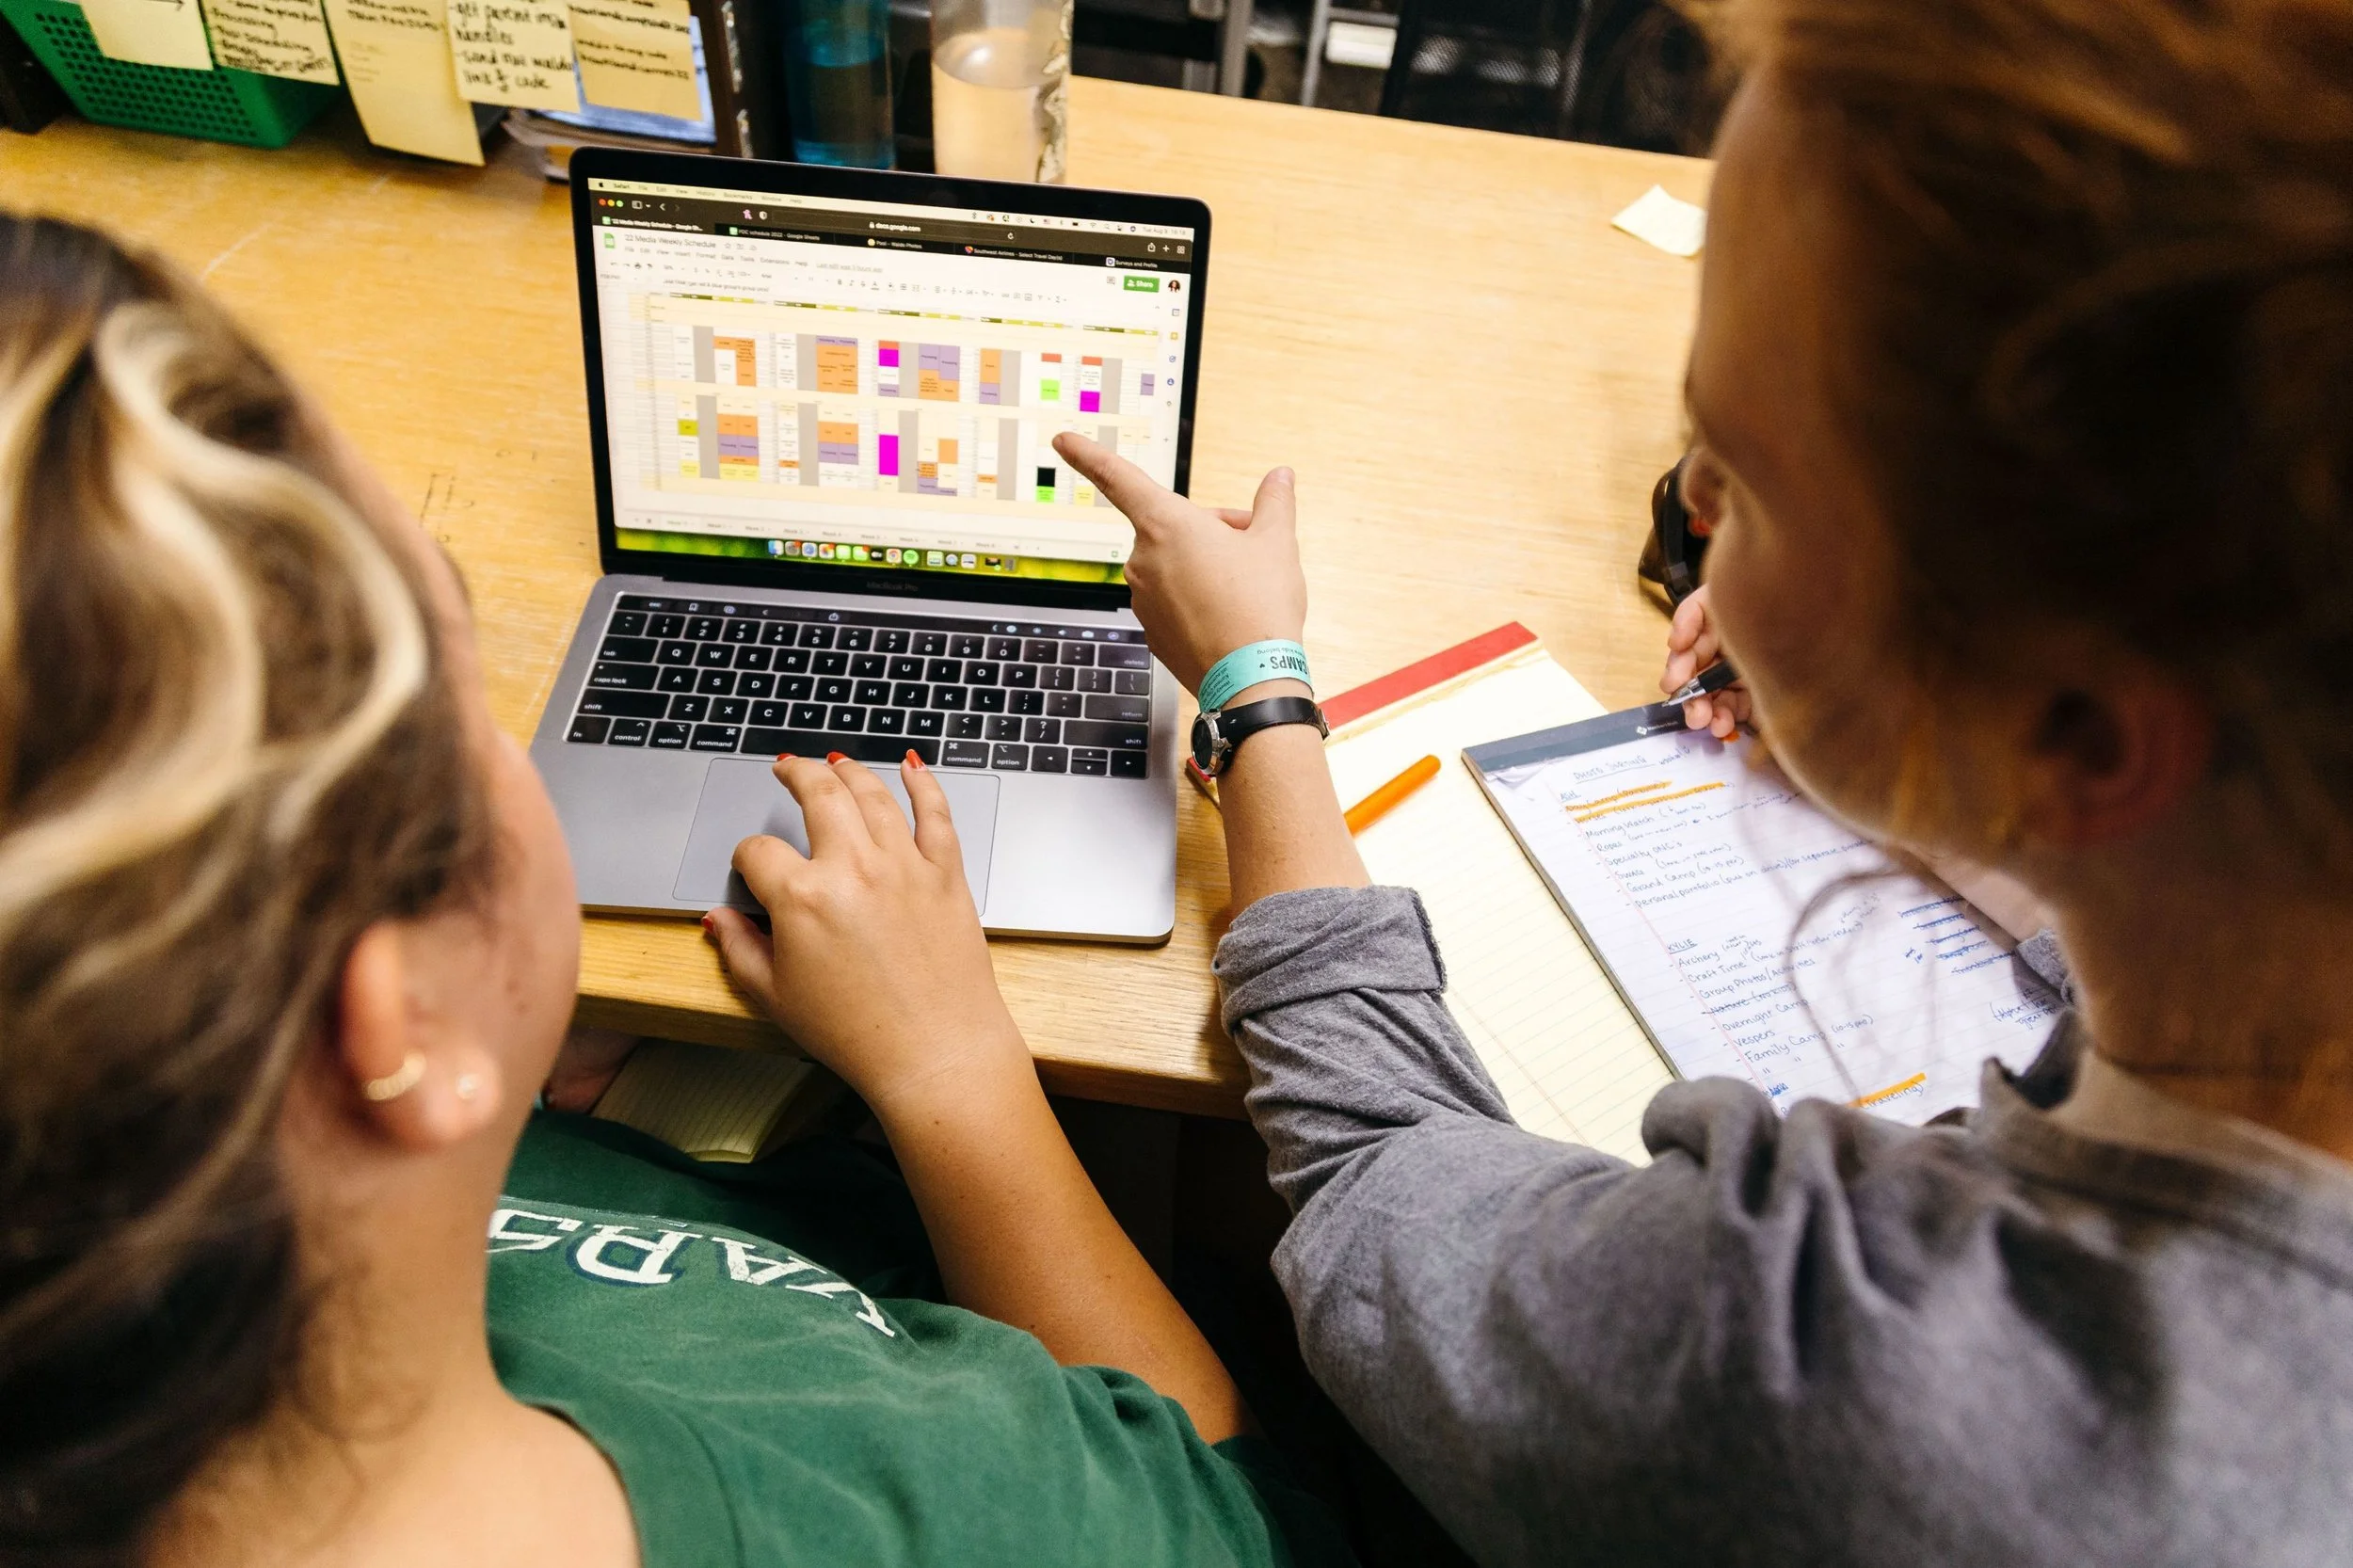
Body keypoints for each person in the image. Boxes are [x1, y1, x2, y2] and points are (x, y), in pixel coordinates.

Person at [1048, 0, 2353, 1559]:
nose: (1695, 528)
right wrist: (1952, 776)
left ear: (2073, 723)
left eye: (1736, 478)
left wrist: (1260, 685)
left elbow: (1378, 1179)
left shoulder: (1838, 1361)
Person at [0, 215, 1348, 1568]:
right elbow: (1236, 1510)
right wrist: (950, 1054)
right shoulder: (955, 1498)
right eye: (460, 703)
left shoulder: (149, 1254)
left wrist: (543, 1081)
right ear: (396, 1021)